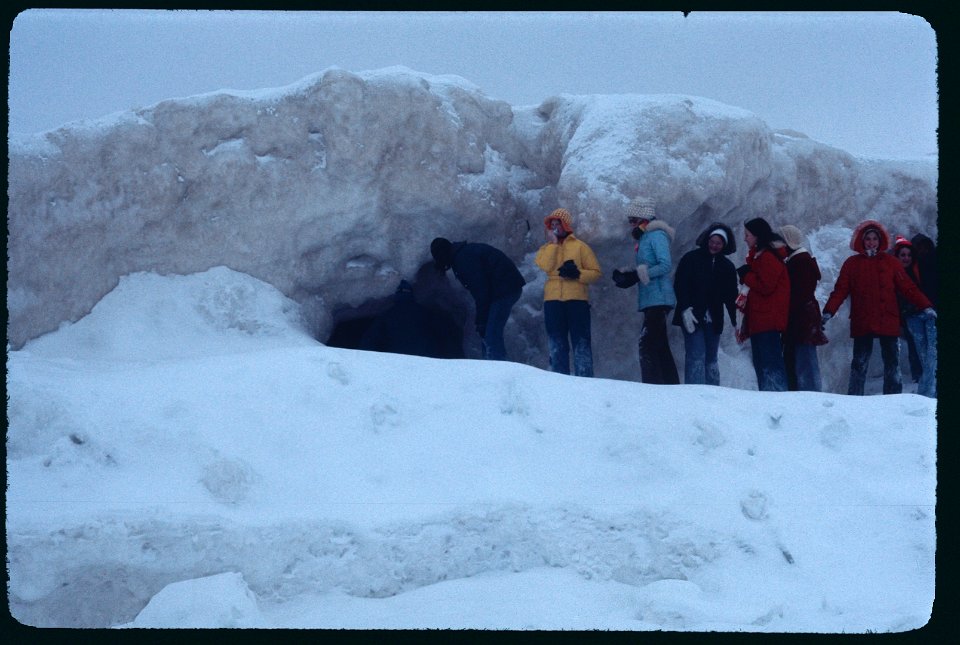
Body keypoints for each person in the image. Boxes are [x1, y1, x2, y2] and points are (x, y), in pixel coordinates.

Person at [821, 220, 935, 396]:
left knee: (892, 362)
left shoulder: (891, 262)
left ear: (880, 240)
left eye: (875, 238)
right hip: (863, 319)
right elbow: (840, 290)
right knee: (859, 362)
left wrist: (926, 306)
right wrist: (829, 311)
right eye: (868, 239)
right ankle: (854, 398)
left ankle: (893, 398)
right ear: (862, 240)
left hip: (887, 318)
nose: (871, 242)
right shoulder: (852, 264)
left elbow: (908, 288)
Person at [611, 197, 679, 384]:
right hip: (652, 299)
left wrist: (639, 274)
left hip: (659, 298)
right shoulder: (645, 237)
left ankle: (652, 387)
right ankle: (671, 386)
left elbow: (665, 265)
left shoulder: (656, 235)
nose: (631, 224)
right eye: (630, 221)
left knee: (646, 344)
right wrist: (629, 275)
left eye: (634, 220)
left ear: (644, 219)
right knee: (660, 345)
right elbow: (648, 267)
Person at [430, 237, 526, 361]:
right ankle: (490, 364)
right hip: (503, 289)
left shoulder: (463, 259)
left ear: (443, 255)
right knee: (489, 333)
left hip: (505, 290)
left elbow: (481, 290)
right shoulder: (462, 254)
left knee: (491, 334)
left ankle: (498, 368)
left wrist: (481, 320)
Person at [534, 208, 602, 376]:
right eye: (552, 225)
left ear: (566, 225)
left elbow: (596, 273)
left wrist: (577, 273)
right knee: (556, 342)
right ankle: (559, 379)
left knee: (581, 342)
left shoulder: (580, 247)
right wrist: (554, 245)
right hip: (553, 301)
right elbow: (545, 266)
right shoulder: (546, 249)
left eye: (558, 223)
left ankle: (585, 378)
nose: (555, 227)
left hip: (577, 300)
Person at [670, 222, 738, 385]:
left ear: (724, 245)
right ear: (707, 240)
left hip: (714, 318)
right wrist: (685, 309)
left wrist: (737, 320)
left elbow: (730, 296)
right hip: (692, 315)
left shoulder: (727, 267)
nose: (714, 245)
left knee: (711, 358)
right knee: (696, 354)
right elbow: (681, 284)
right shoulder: (691, 259)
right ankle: (695, 393)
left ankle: (713, 392)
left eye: (718, 243)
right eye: (712, 241)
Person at [736, 217, 790, 392]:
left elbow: (766, 285)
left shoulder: (767, 257)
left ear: (757, 236)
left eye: (748, 235)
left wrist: (746, 276)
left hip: (767, 320)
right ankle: (769, 398)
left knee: (770, 364)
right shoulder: (761, 256)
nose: (745, 238)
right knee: (764, 363)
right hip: (761, 320)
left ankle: (776, 398)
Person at [778, 224, 828, 392]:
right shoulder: (798, 260)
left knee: (804, 358)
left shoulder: (800, 262)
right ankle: (802, 391)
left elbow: (799, 293)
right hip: (802, 317)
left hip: (801, 318)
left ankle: (809, 393)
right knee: (799, 356)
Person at [359, 279, 463, 359]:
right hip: (427, 359)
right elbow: (444, 334)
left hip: (397, 360)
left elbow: (370, 339)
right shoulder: (426, 312)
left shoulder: (387, 315)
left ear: (396, 296)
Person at [893, 235, 936, 397]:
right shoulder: (897, 274)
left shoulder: (922, 268)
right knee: (922, 351)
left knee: (932, 351)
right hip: (912, 316)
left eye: (909, 255)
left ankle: (928, 389)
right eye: (903, 255)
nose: (906, 258)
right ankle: (926, 388)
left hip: (930, 313)